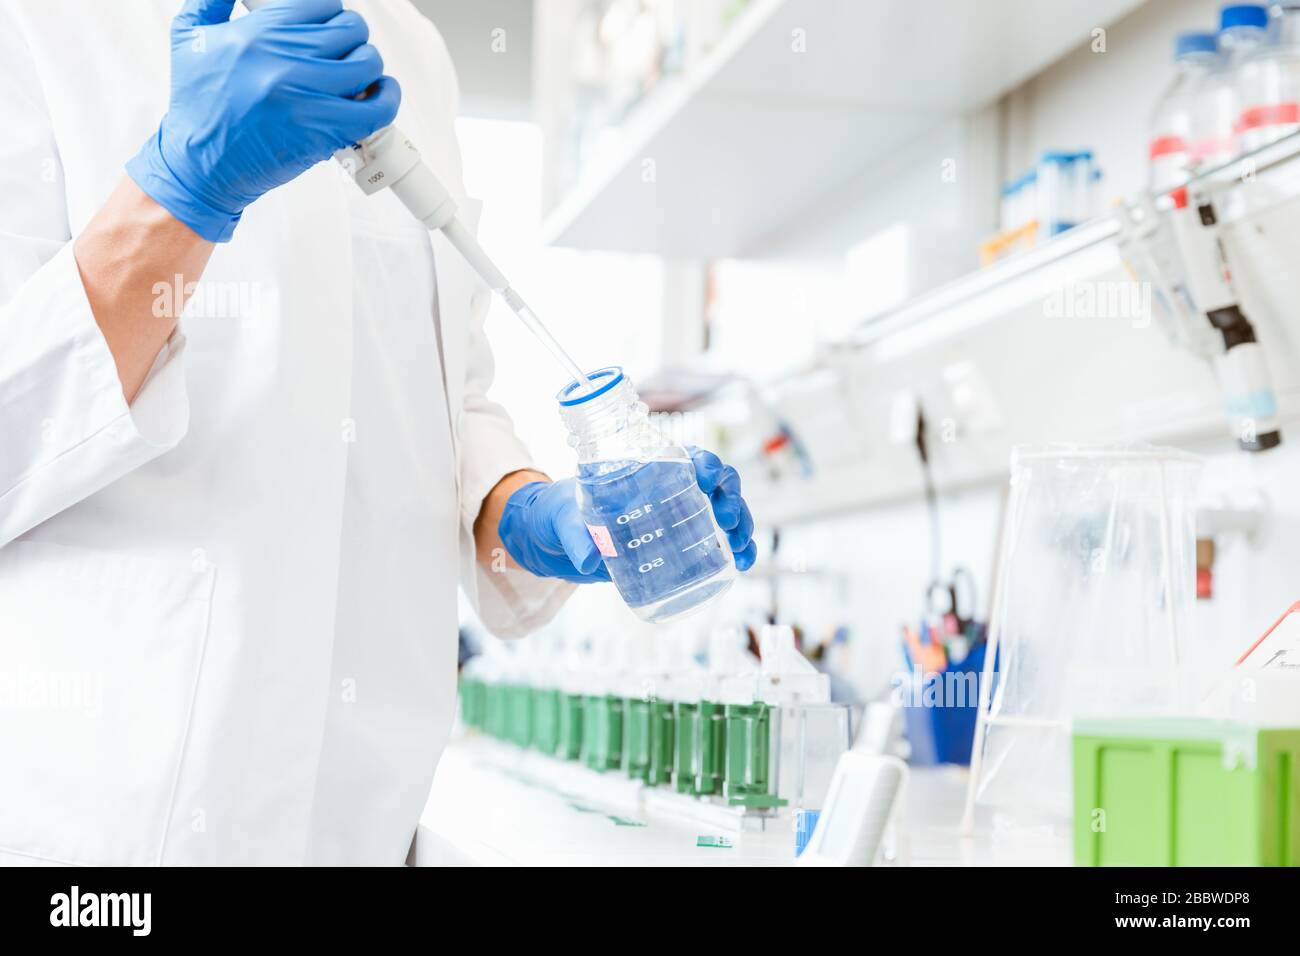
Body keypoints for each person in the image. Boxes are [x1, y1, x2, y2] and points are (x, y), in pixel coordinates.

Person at [0, 0, 755, 865]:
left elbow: (442, 397)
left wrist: (525, 516)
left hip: (365, 829)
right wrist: (182, 186)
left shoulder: (411, 48)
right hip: (100, 850)